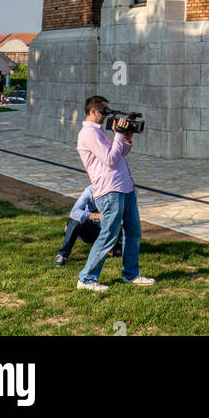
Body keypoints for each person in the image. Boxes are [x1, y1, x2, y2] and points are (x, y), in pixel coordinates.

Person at [75, 95, 155, 292]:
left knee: (133, 231)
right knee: (109, 234)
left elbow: (119, 154)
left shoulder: (99, 132)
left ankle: (131, 274)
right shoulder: (88, 134)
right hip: (110, 190)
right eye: (103, 111)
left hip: (124, 187)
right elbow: (110, 160)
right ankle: (86, 279)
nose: (106, 115)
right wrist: (118, 135)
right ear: (92, 111)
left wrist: (127, 137)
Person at [53, 185, 123, 267]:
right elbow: (74, 212)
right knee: (76, 220)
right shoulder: (90, 190)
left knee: (122, 218)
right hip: (90, 227)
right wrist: (98, 216)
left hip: (108, 228)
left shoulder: (119, 191)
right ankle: (63, 254)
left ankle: (118, 247)